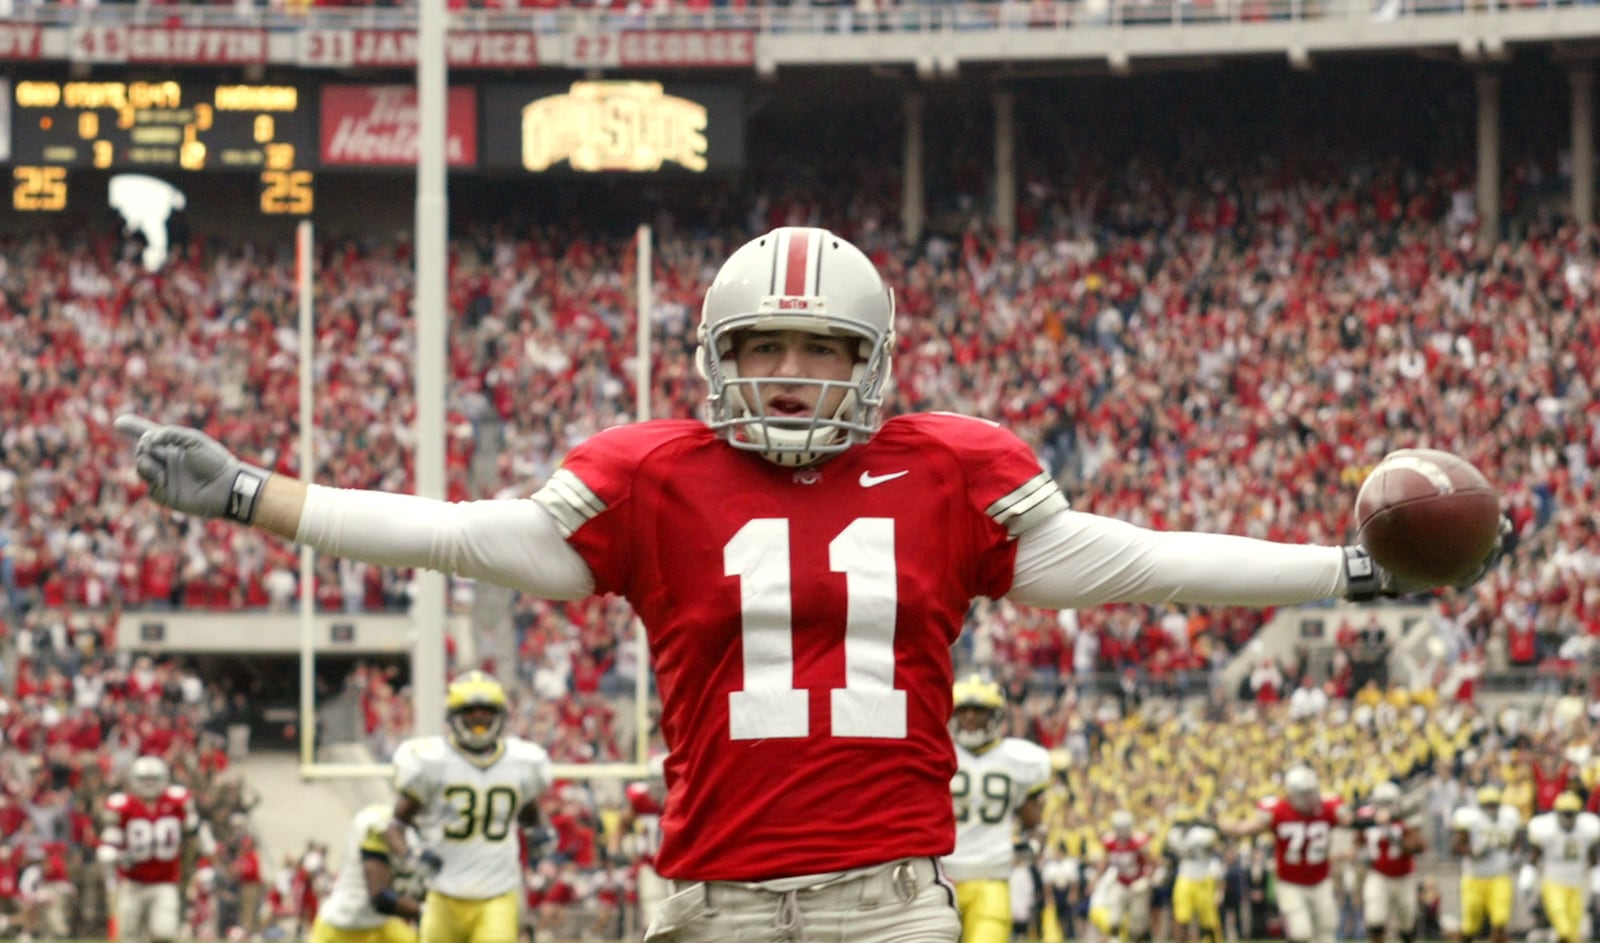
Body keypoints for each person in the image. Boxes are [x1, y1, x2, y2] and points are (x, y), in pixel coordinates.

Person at [117, 225, 1504, 943]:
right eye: (767, 343)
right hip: (711, 896)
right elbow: (459, 534)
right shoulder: (649, 476)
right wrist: (259, 493)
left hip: (889, 902)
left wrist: (1345, 573)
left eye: (825, 349)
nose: (793, 372)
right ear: (719, 351)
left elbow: (1138, 561)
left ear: (874, 357)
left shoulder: (955, 470)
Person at [383, 670, 551, 943]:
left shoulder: (521, 763)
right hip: (443, 893)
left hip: (498, 893)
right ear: (454, 715)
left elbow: (530, 815)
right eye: (471, 711)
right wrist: (413, 853)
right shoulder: (431, 763)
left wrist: (540, 833)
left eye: (486, 711)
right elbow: (395, 827)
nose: (479, 719)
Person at [943, 674, 1051, 943]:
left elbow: (1034, 824)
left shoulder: (1021, 759)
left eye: (978, 711)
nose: (969, 718)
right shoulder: (937, 754)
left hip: (991, 875)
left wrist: (1033, 846)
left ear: (994, 715)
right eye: (962, 710)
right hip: (940, 878)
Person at [1220, 765, 1352, 943]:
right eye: (1303, 794)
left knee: (1327, 933)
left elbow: (1351, 821)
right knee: (1301, 932)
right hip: (1291, 883)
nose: (1309, 798)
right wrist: (1221, 825)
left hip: (1321, 880)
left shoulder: (1326, 808)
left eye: (1311, 792)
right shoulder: (1279, 811)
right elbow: (1246, 828)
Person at [97, 755, 214, 943]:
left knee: (164, 931)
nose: (149, 784)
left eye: (154, 779)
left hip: (165, 881)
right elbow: (106, 847)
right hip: (132, 882)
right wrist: (118, 856)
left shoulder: (177, 802)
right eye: (144, 779)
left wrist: (204, 859)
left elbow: (197, 833)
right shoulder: (123, 806)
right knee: (130, 936)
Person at [308, 802, 423, 943]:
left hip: (379, 924)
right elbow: (381, 898)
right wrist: (428, 912)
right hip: (345, 927)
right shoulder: (380, 820)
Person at [1521, 791, 1600, 943]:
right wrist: (1527, 881)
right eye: (1565, 813)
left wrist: (1597, 885)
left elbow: (1593, 860)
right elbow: (1533, 857)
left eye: (1571, 814)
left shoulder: (1587, 829)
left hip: (1577, 885)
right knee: (1563, 928)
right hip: (1554, 884)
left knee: (1574, 931)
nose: (1568, 818)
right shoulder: (1546, 829)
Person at [1449, 784, 1522, 943]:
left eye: (1494, 804)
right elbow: (1454, 848)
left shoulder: (1508, 819)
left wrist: (1515, 854)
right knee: (1470, 926)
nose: (1491, 808)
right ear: (1481, 805)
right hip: (1474, 877)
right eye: (1488, 805)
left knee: (1500, 921)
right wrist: (1473, 851)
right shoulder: (1472, 820)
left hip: (1500, 876)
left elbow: (1516, 841)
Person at [1356, 781, 1426, 943]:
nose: (1384, 807)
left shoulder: (1407, 818)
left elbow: (1418, 846)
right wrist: (1361, 852)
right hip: (1378, 874)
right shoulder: (1368, 816)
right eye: (1381, 803)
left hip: (1404, 876)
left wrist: (1394, 835)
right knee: (1375, 921)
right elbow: (1358, 840)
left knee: (1407, 927)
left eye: (1388, 803)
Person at [1089, 810, 1154, 943]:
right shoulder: (1110, 843)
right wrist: (1095, 880)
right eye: (1119, 828)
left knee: (1137, 926)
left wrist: (1146, 879)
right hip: (1120, 883)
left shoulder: (1137, 843)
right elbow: (1104, 863)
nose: (1122, 832)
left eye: (1124, 828)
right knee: (1113, 920)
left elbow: (1152, 864)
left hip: (1137, 886)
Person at [1167, 806, 1223, 943]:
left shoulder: (1176, 835)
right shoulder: (1201, 834)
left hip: (1201, 877)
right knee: (1182, 918)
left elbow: (1213, 845)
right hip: (1187, 876)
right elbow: (1214, 841)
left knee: (1208, 921)